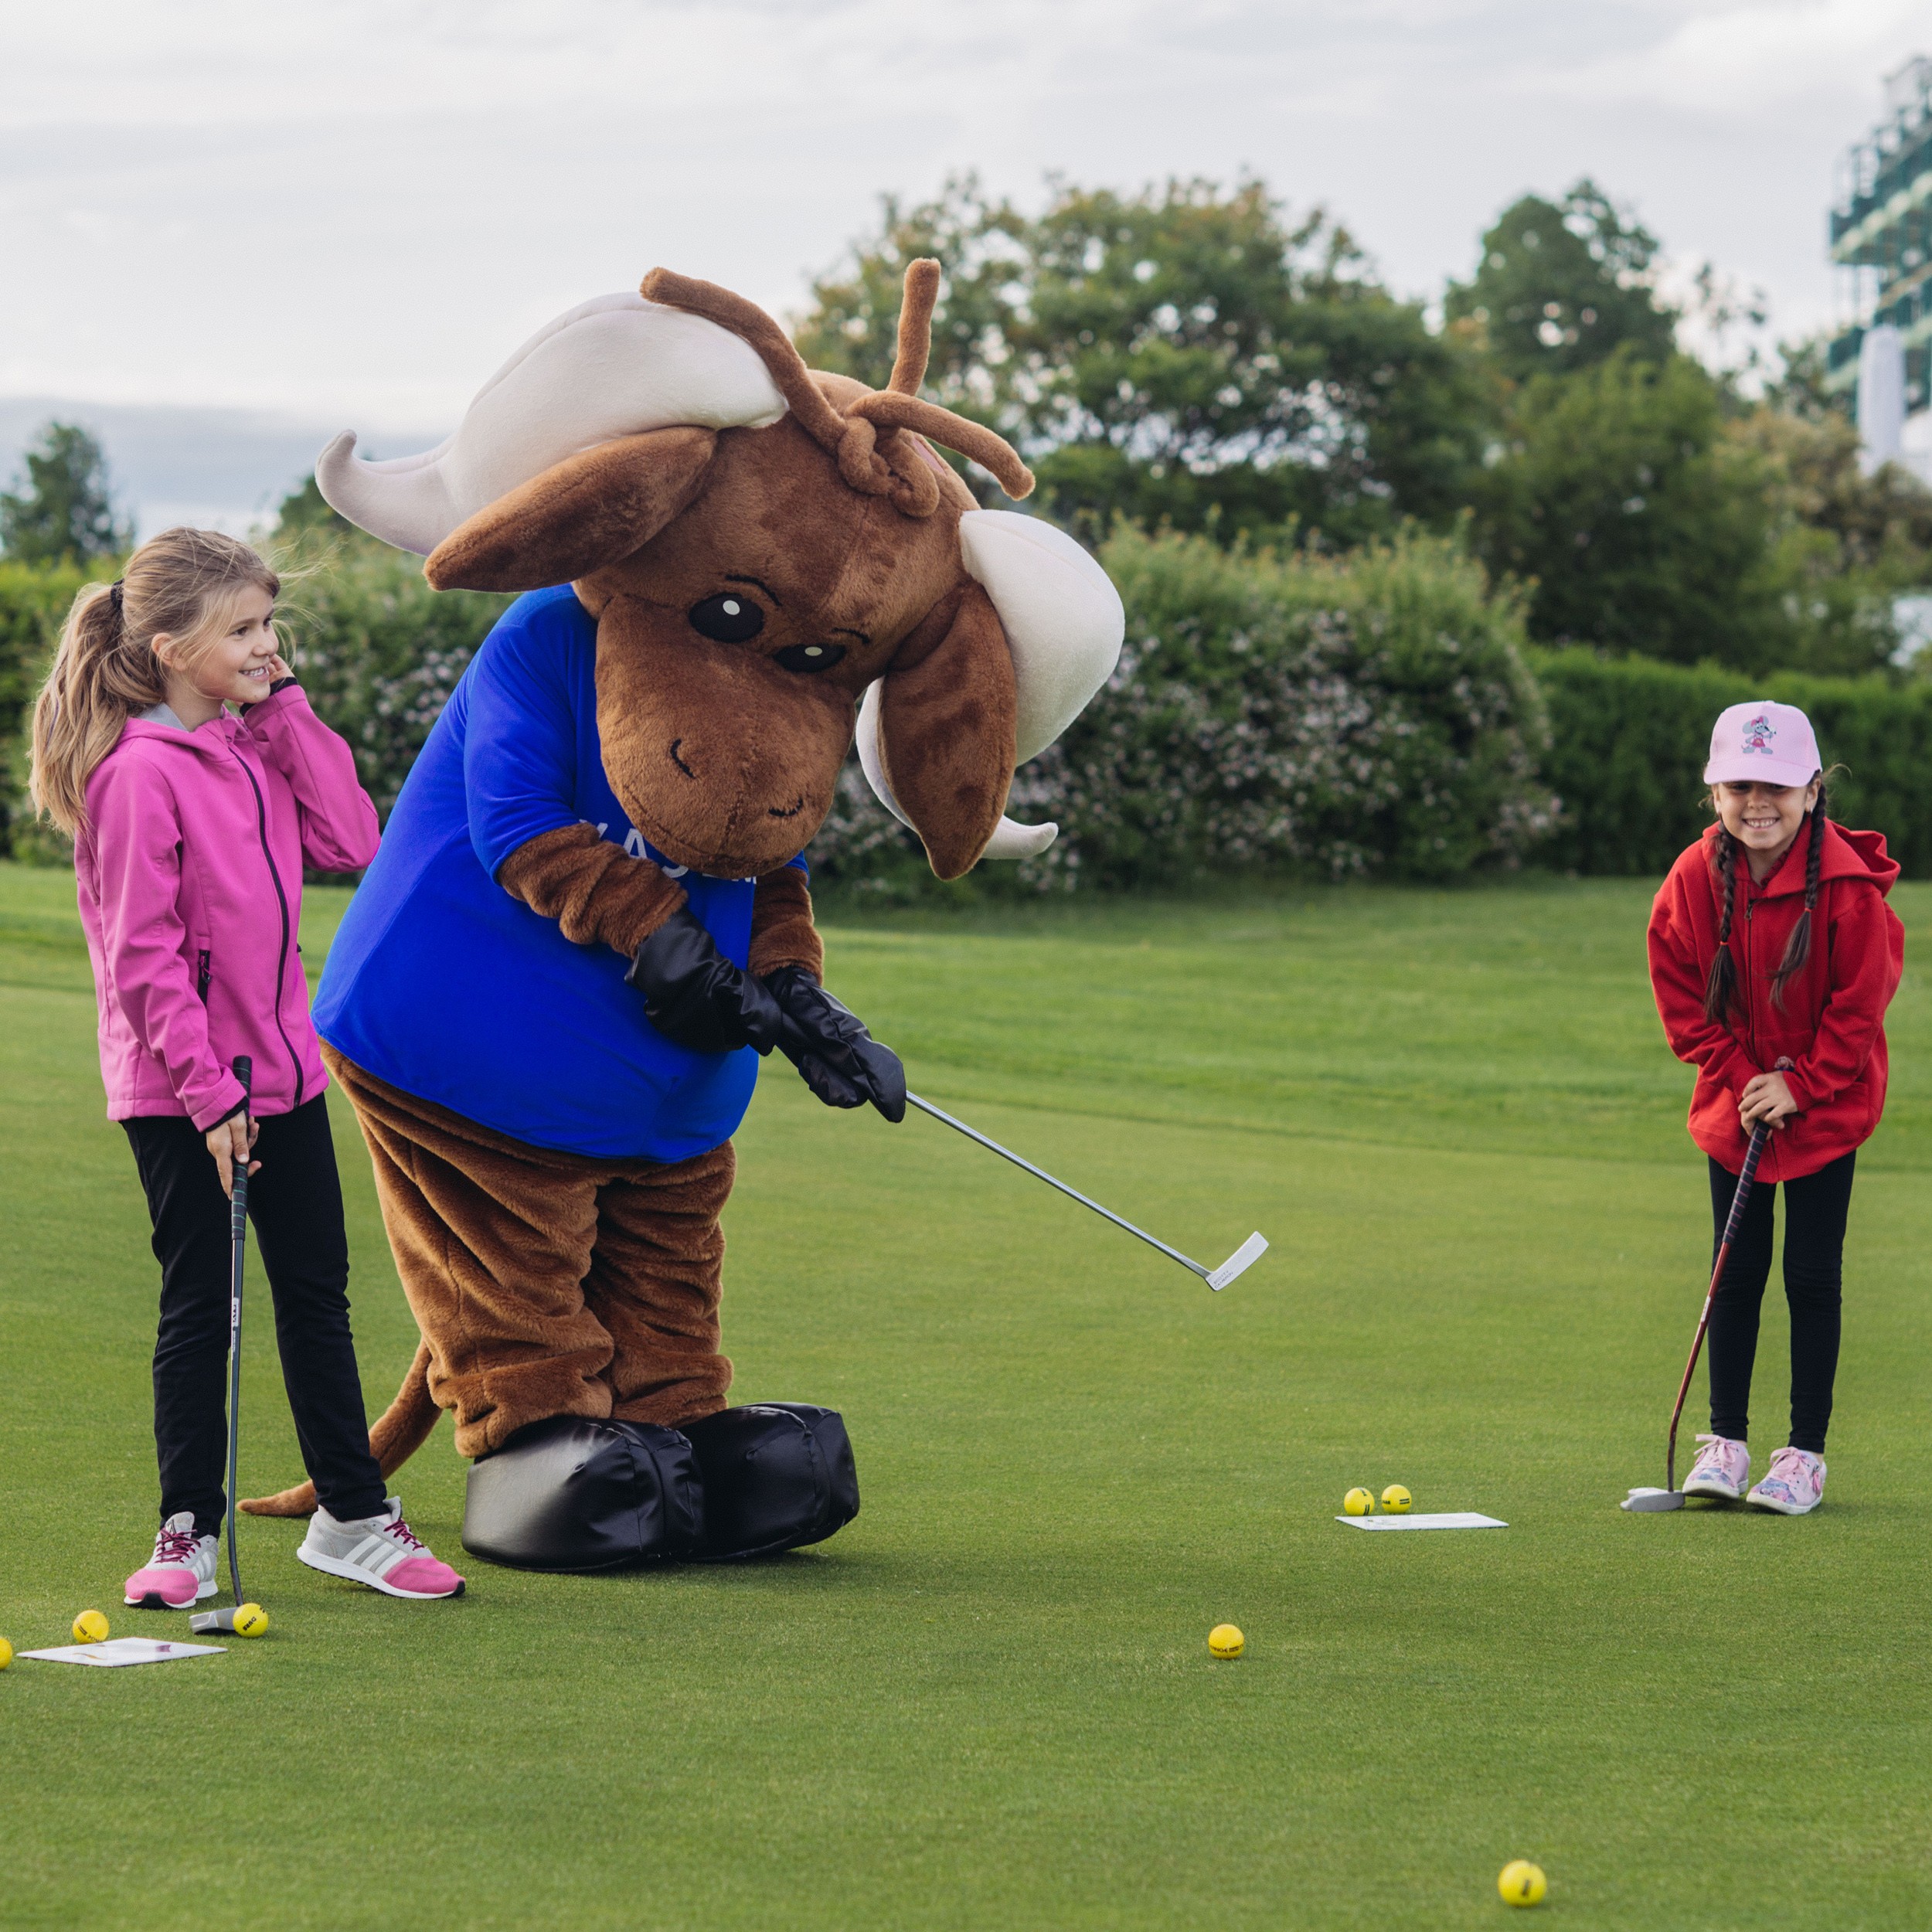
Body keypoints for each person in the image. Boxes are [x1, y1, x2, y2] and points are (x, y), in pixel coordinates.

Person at [28, 527, 464, 1604]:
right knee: (199, 1301)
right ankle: (188, 1535)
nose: (268, 645)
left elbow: (355, 838)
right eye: (246, 630)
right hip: (181, 1090)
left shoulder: (252, 744)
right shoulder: (136, 778)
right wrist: (209, 1096)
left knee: (318, 1296)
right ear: (172, 647)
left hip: (284, 1075)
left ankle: (354, 1520)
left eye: (271, 624)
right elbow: (143, 955)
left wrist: (285, 709)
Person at [1648, 700, 1903, 1515]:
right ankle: (1724, 1442)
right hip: (1738, 1106)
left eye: (1778, 787)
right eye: (1739, 786)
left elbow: (1861, 1004)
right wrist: (1739, 1075)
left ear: (1813, 789)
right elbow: (1682, 997)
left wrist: (1800, 1082)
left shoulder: (1849, 889)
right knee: (1736, 1270)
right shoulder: (1693, 875)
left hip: (1825, 1104)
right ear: (1713, 791)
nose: (1758, 803)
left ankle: (1804, 1454)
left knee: (1810, 1275)